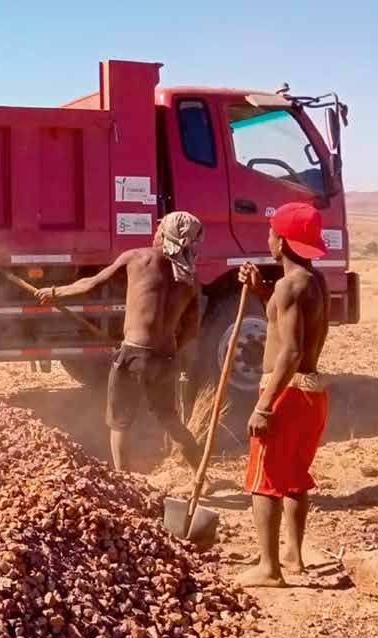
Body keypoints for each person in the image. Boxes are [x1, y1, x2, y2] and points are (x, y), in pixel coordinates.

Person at [37, 211, 205, 472]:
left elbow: (91, 283)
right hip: (165, 356)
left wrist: (55, 292)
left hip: (133, 354)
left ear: (164, 234)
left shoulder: (137, 257)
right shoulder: (191, 278)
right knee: (170, 419)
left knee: (120, 424)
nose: (155, 231)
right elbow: (192, 330)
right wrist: (169, 351)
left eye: (158, 228)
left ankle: (123, 482)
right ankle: (200, 475)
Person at [235, 203, 330, 588]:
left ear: (282, 242)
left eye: (272, 232)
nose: (268, 238)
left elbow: (289, 351)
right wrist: (261, 292)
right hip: (311, 393)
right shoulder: (312, 281)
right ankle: (293, 553)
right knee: (293, 476)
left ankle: (269, 569)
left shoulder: (289, 287)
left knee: (265, 481)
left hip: (286, 392)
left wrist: (264, 405)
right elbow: (286, 327)